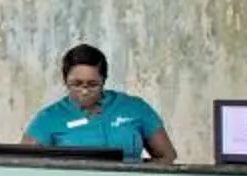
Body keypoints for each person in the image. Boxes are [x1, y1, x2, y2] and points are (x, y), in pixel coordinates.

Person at [22, 44, 176, 162]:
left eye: (92, 84)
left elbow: (167, 156)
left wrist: (140, 175)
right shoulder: (49, 119)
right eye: (76, 84)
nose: (84, 91)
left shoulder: (134, 108)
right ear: (65, 81)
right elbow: (22, 164)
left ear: (104, 80)